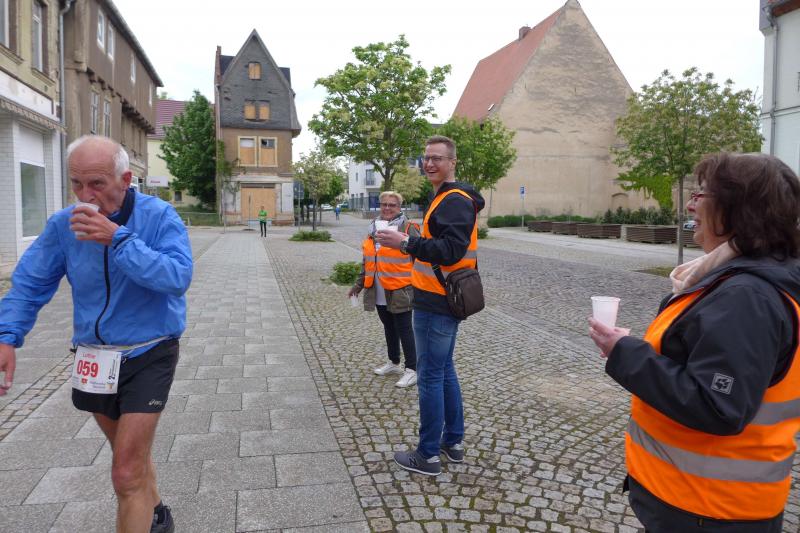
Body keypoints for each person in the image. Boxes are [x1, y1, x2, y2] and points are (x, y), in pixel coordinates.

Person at [589, 152, 800, 532]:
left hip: (710, 509)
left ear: (737, 209)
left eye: (701, 194)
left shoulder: (747, 297)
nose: (690, 205)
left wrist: (624, 352)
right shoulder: (745, 280)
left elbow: (717, 405)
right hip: (703, 503)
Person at [0, 135, 193, 533]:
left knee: (124, 471)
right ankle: (156, 513)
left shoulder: (159, 216)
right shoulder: (63, 225)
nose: (85, 195)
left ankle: (147, 515)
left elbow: (177, 278)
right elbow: (30, 283)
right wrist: (7, 335)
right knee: (130, 457)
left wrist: (117, 238)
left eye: (97, 184)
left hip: (150, 350)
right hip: (93, 358)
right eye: (76, 183)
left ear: (125, 179)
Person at [376, 135, 484, 476]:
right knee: (444, 370)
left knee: (431, 376)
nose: (429, 163)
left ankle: (427, 455)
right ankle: (452, 443)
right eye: (426, 158)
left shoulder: (453, 200)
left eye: (437, 158)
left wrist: (406, 242)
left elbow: (450, 250)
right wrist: (415, 239)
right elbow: (444, 244)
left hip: (436, 300)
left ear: (452, 162)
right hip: (442, 297)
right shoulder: (447, 198)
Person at [348, 191, 420, 388]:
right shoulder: (373, 230)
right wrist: (358, 286)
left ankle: (412, 370)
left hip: (401, 289)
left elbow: (421, 258)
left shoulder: (409, 228)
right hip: (378, 289)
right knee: (389, 326)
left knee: (405, 329)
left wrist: (420, 287)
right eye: (384, 204)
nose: (387, 208)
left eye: (392, 205)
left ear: (400, 207)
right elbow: (368, 261)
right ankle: (394, 362)